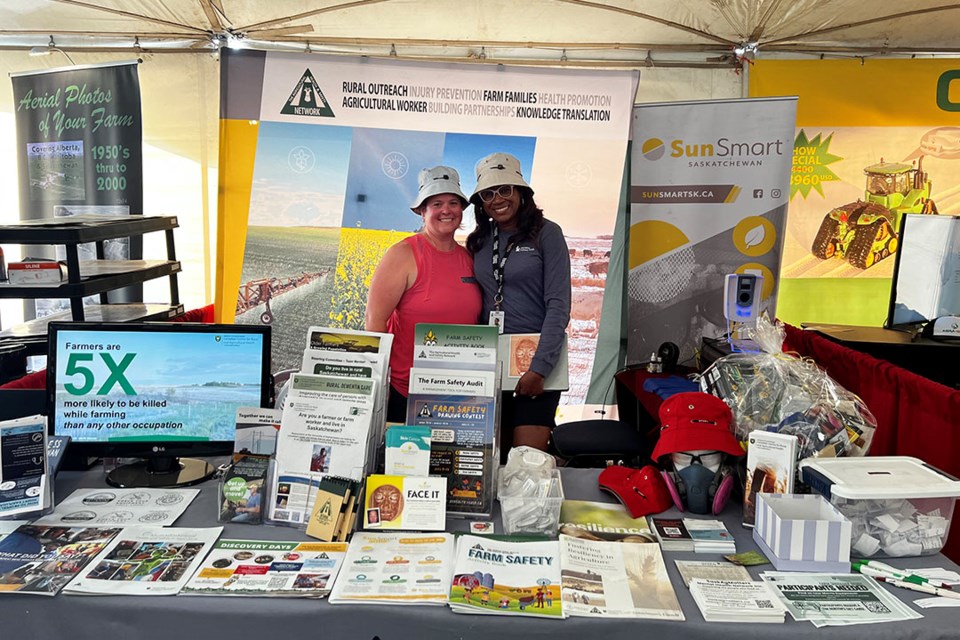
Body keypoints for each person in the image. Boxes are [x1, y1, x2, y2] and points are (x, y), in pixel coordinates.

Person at [467, 153, 571, 460]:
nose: (497, 199)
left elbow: (558, 305)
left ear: (521, 192)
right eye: (488, 193)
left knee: (527, 466)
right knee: (486, 464)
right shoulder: (480, 240)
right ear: (481, 202)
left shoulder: (547, 233)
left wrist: (539, 368)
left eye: (505, 190)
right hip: (490, 368)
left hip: (535, 369)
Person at [366, 165, 482, 423]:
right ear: (422, 210)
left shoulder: (469, 258)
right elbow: (375, 323)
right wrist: (377, 384)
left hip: (459, 396)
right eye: (436, 203)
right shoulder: (402, 254)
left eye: (453, 202)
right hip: (405, 393)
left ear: (462, 210)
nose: (446, 210)